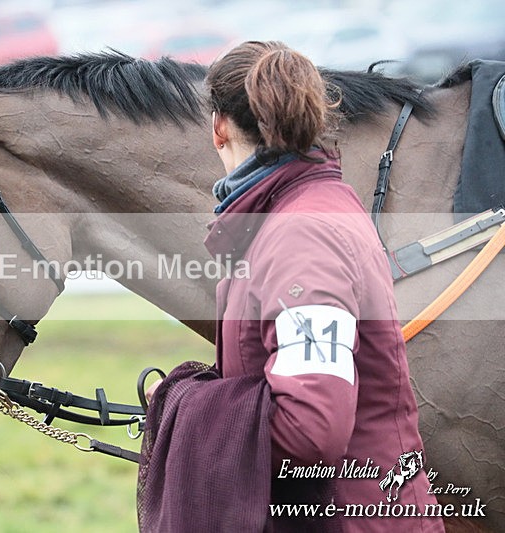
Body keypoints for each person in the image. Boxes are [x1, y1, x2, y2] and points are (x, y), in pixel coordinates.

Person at [144, 41, 443, 532]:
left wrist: (184, 411)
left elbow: (312, 427)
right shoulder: (307, 206)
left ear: (218, 127)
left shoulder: (303, 234)